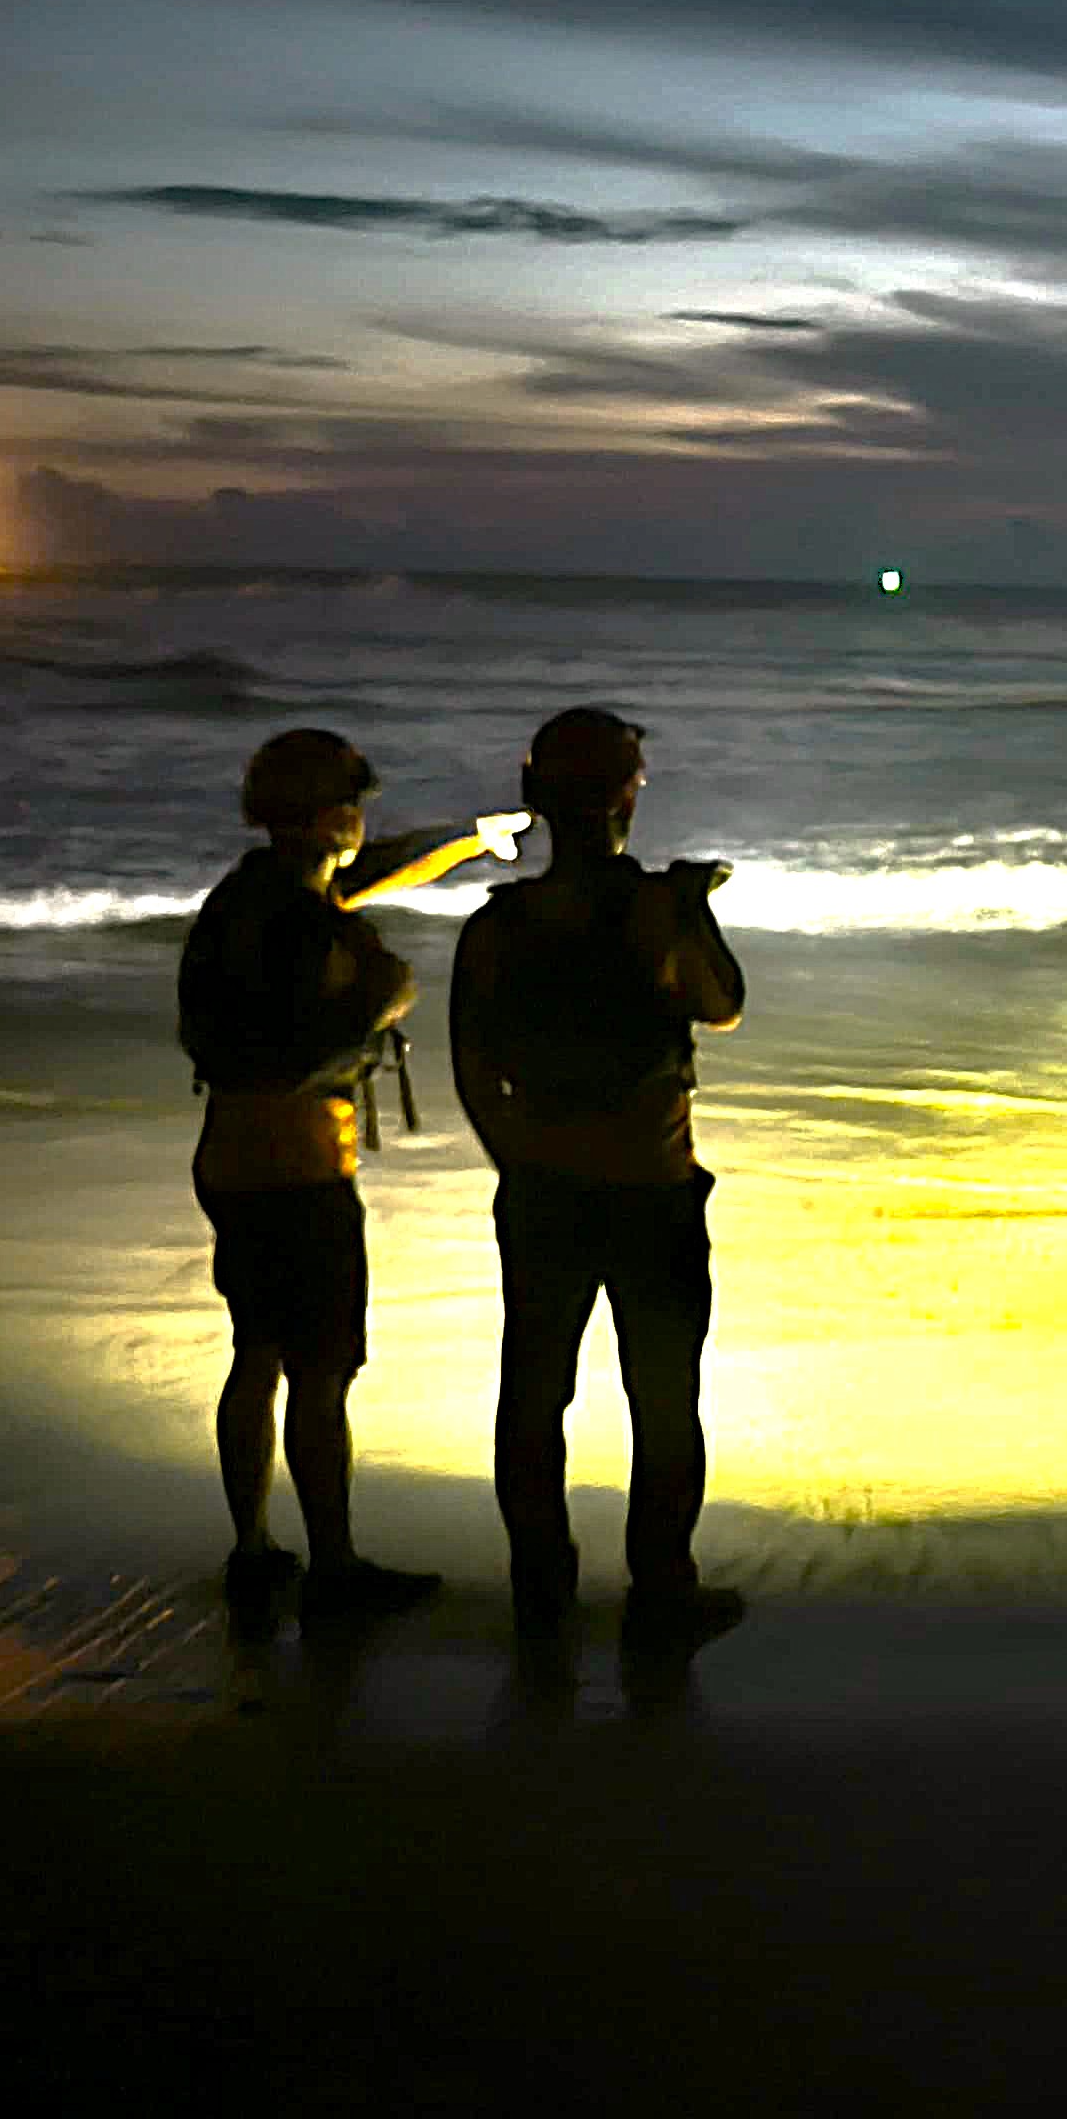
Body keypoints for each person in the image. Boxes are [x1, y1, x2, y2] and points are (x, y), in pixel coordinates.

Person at [451, 707, 749, 1655]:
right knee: (664, 1398)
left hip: (543, 1189)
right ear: (628, 796)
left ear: (537, 797)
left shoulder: (500, 922)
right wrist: (695, 901)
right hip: (653, 1187)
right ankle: (662, 1589)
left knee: (533, 1398)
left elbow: (468, 1064)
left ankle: (543, 1590)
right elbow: (724, 1006)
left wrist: (519, 1159)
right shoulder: (656, 908)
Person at [177, 729, 457, 1633]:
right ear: (336, 813)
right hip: (298, 1164)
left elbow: (369, 872)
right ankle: (335, 1569)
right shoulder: (307, 921)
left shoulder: (242, 897)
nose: (364, 821)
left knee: (255, 1355)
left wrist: (462, 838)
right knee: (322, 1370)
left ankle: (253, 1550)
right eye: (357, 805)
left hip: (228, 1155)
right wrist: (382, 995)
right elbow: (294, 1054)